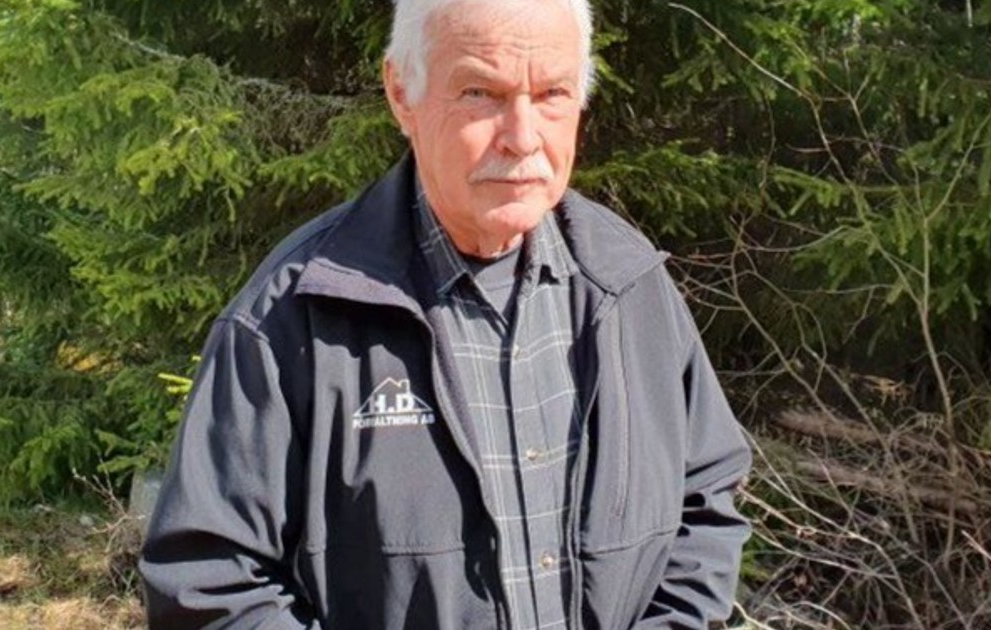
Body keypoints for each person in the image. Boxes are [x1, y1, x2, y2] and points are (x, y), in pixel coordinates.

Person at [138, 0, 752, 627]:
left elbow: (704, 503)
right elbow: (210, 583)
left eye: (552, 94)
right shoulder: (291, 318)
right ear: (401, 93)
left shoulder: (628, 284)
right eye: (481, 93)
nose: (522, 137)